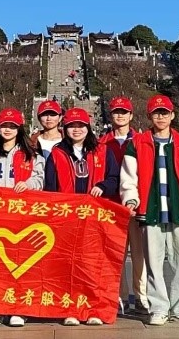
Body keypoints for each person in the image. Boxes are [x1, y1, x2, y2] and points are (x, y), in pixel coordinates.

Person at [120, 95, 179, 327]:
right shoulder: (137, 143)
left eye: (165, 112)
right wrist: (131, 199)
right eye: (157, 113)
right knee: (154, 263)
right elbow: (128, 177)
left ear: (172, 115)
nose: (161, 117)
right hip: (151, 211)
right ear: (149, 116)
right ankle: (158, 308)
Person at [44, 107, 119, 326]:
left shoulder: (103, 150)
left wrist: (103, 186)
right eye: (71, 126)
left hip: (95, 217)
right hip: (68, 217)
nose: (76, 130)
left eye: (81, 126)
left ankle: (94, 308)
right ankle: (71, 309)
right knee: (69, 264)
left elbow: (114, 177)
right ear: (65, 128)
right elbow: (50, 188)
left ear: (88, 127)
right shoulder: (57, 153)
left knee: (94, 263)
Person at [0, 107, 45, 328]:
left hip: (21, 216)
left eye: (12, 126)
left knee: (21, 263)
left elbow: (40, 179)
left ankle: (18, 309)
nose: (7, 130)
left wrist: (29, 184)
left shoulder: (31, 154)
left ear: (19, 128)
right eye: (4, 125)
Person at [103, 96, 148, 316]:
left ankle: (141, 296)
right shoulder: (102, 143)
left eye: (124, 112)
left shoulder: (142, 141)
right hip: (112, 206)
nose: (120, 116)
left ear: (131, 115)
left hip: (137, 206)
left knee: (140, 253)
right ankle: (120, 295)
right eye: (116, 112)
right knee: (116, 253)